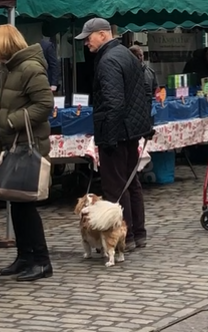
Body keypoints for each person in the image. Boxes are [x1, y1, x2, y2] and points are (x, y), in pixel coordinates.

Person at [77, 18, 154, 250]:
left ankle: (124, 237)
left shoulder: (108, 60)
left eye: (88, 38)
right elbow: (143, 92)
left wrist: (108, 138)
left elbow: (114, 103)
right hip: (130, 130)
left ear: (102, 34)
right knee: (131, 183)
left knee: (116, 186)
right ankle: (137, 233)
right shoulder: (125, 54)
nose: (86, 43)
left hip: (117, 132)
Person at [0, 26, 55, 281]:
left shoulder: (29, 68)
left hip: (29, 145)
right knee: (16, 204)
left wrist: (12, 121)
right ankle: (25, 256)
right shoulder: (9, 69)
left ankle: (41, 260)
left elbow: (44, 104)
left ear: (4, 44)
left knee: (26, 206)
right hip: (14, 145)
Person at [39, 26, 61, 93]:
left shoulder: (47, 46)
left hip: (46, 82)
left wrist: (54, 84)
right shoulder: (23, 46)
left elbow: (54, 65)